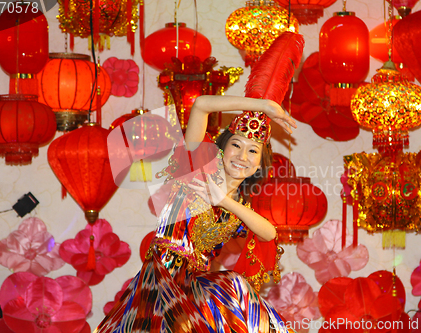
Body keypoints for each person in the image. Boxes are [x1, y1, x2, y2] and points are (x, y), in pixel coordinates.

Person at [96, 32, 304, 333]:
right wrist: (265, 105)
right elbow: (202, 105)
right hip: (159, 284)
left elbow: (269, 233)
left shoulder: (237, 207)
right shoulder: (195, 167)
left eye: (253, 151)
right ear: (221, 147)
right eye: (236, 145)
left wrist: (225, 201)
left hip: (195, 290)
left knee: (237, 289)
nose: (242, 155)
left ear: (258, 166)